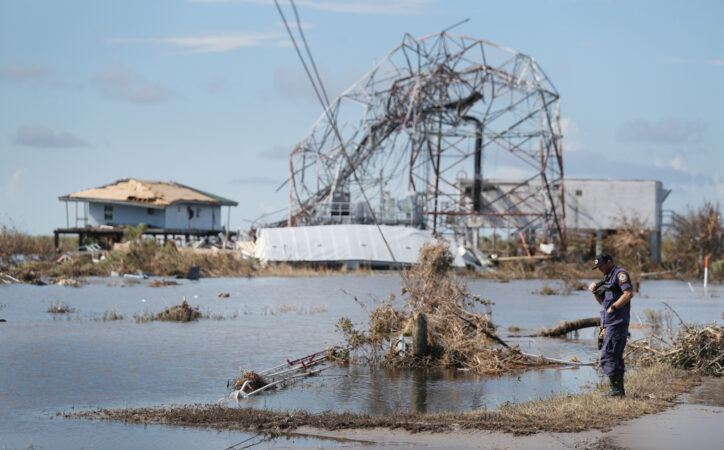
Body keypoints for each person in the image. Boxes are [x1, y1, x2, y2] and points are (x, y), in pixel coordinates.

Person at [588, 253, 634, 397]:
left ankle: (616, 392)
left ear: (609, 262)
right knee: (613, 355)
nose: (600, 269)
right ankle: (618, 391)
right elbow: (604, 303)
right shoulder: (606, 279)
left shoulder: (620, 274)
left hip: (617, 323)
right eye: (597, 267)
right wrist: (595, 292)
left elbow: (628, 294)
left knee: (608, 355)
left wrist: (613, 308)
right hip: (606, 323)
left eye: (601, 266)